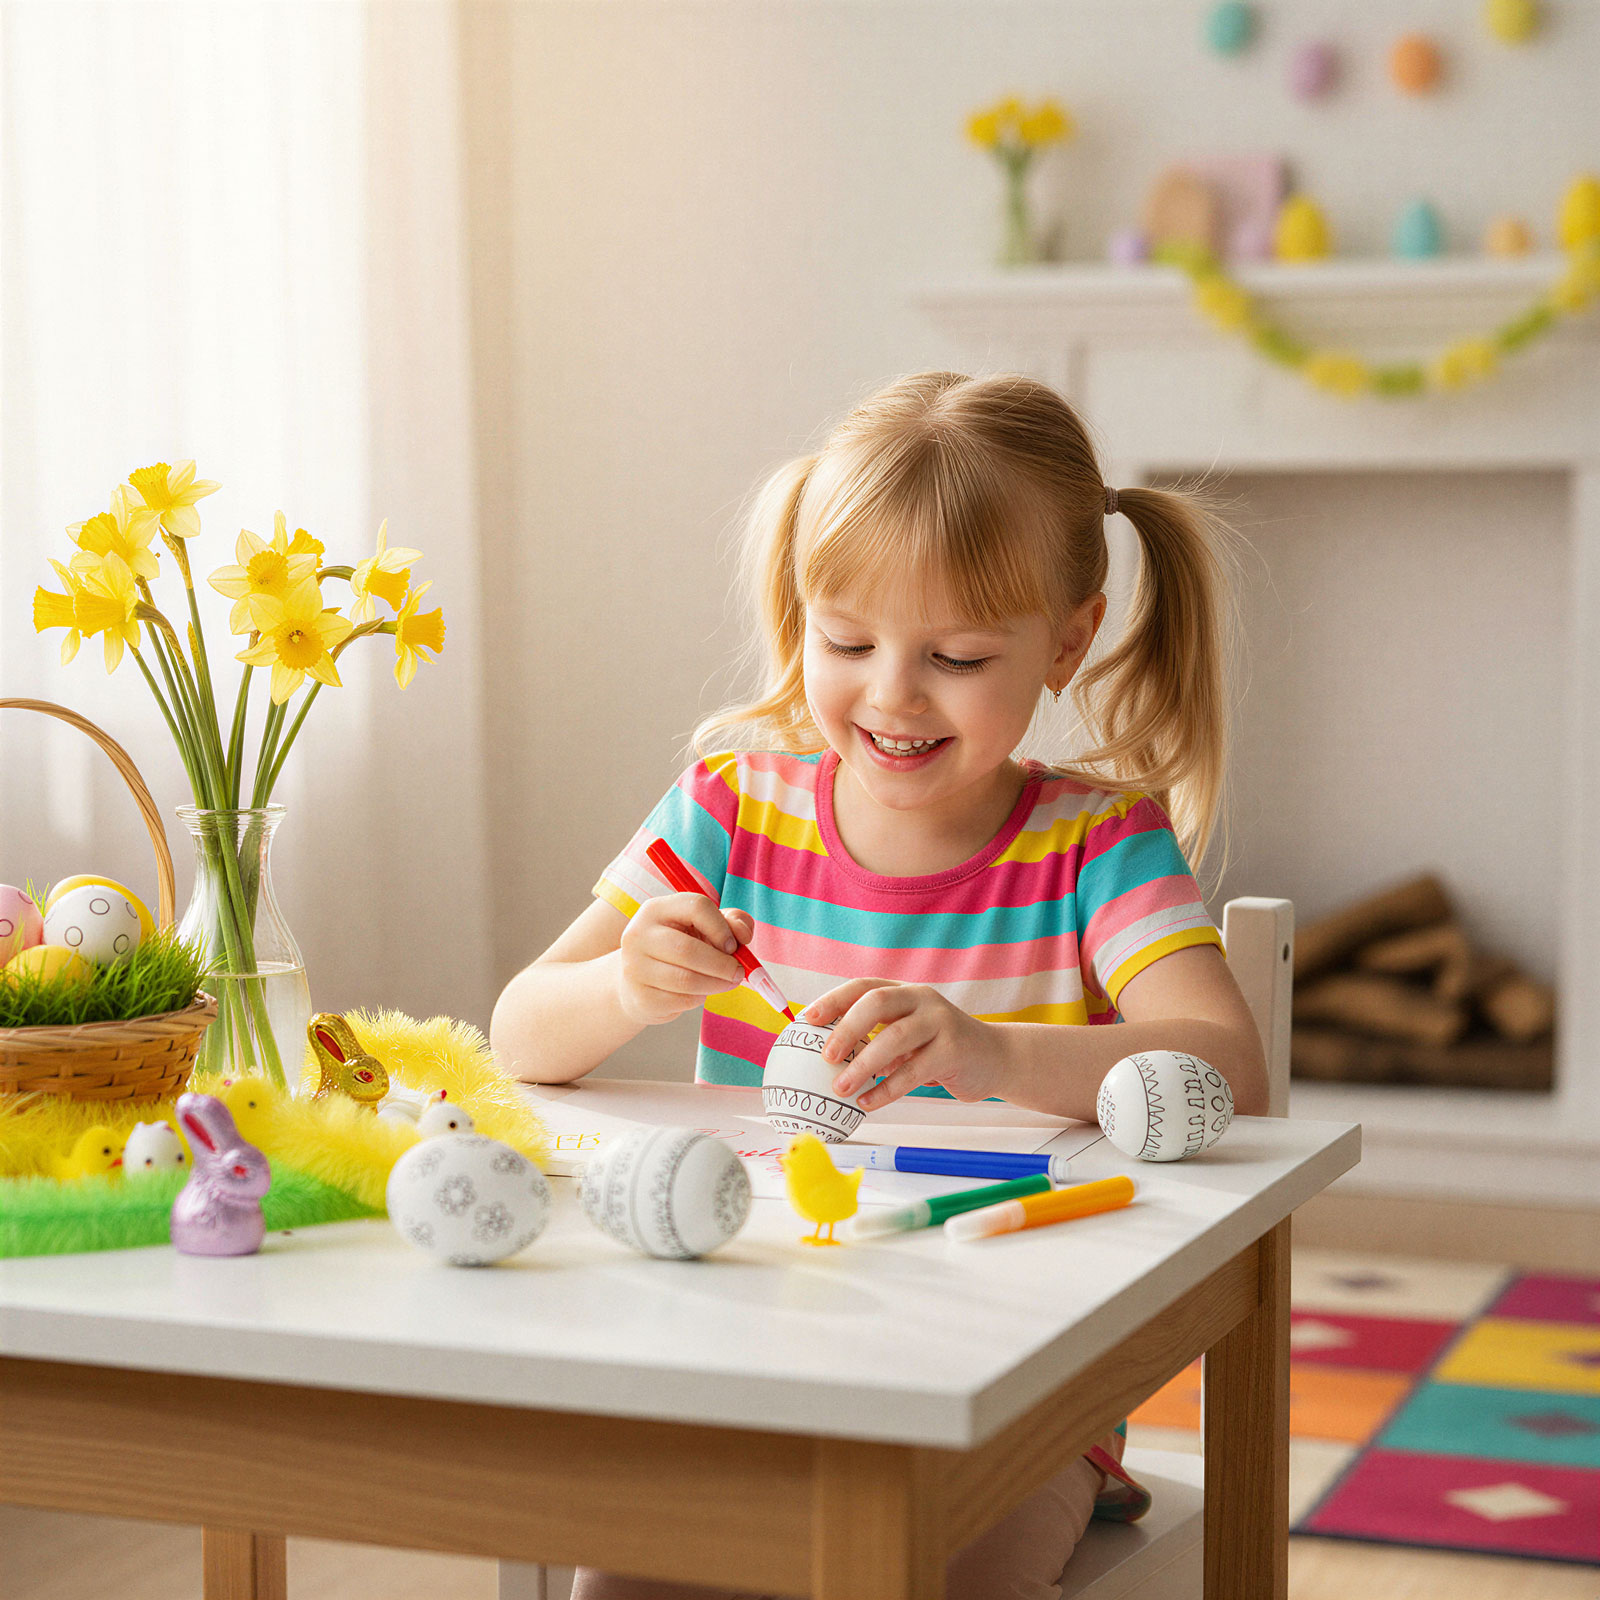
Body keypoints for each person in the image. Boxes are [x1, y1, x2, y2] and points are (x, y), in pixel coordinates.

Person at [491, 370, 1267, 1600]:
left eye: (955, 655)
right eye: (846, 642)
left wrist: (995, 1055)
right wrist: (626, 988)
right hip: (748, 1358)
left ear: (1067, 641)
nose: (892, 693)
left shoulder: (1094, 845)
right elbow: (519, 1036)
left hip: (1020, 1386)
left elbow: (1231, 1069)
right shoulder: (728, 809)